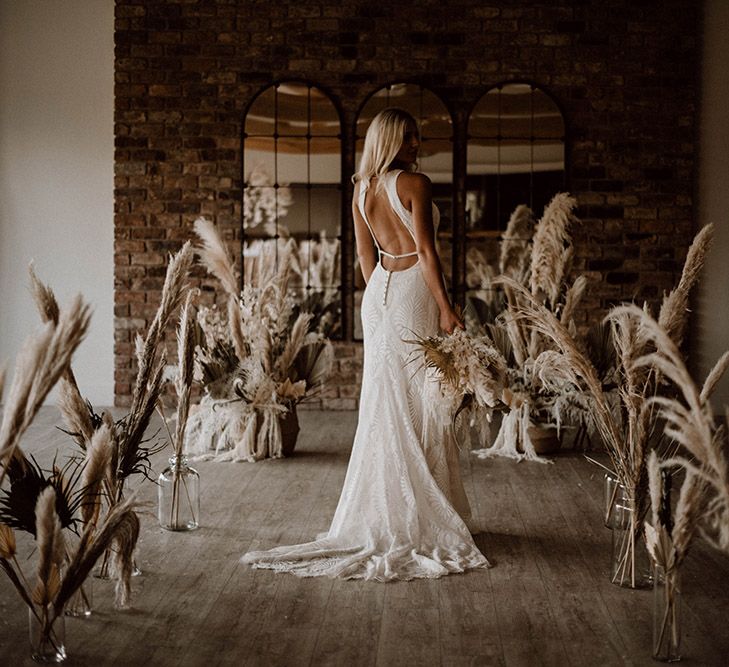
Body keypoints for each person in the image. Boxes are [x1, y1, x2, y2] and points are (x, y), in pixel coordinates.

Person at [241, 108, 489, 581]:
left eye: (417, 137)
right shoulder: (414, 184)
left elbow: (362, 253)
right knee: (421, 397)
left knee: (386, 399)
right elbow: (427, 251)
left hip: (377, 294)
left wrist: (382, 292)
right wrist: (445, 305)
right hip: (414, 286)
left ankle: (390, 509)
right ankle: (419, 511)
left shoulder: (362, 188)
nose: (417, 144)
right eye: (409, 137)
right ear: (390, 140)